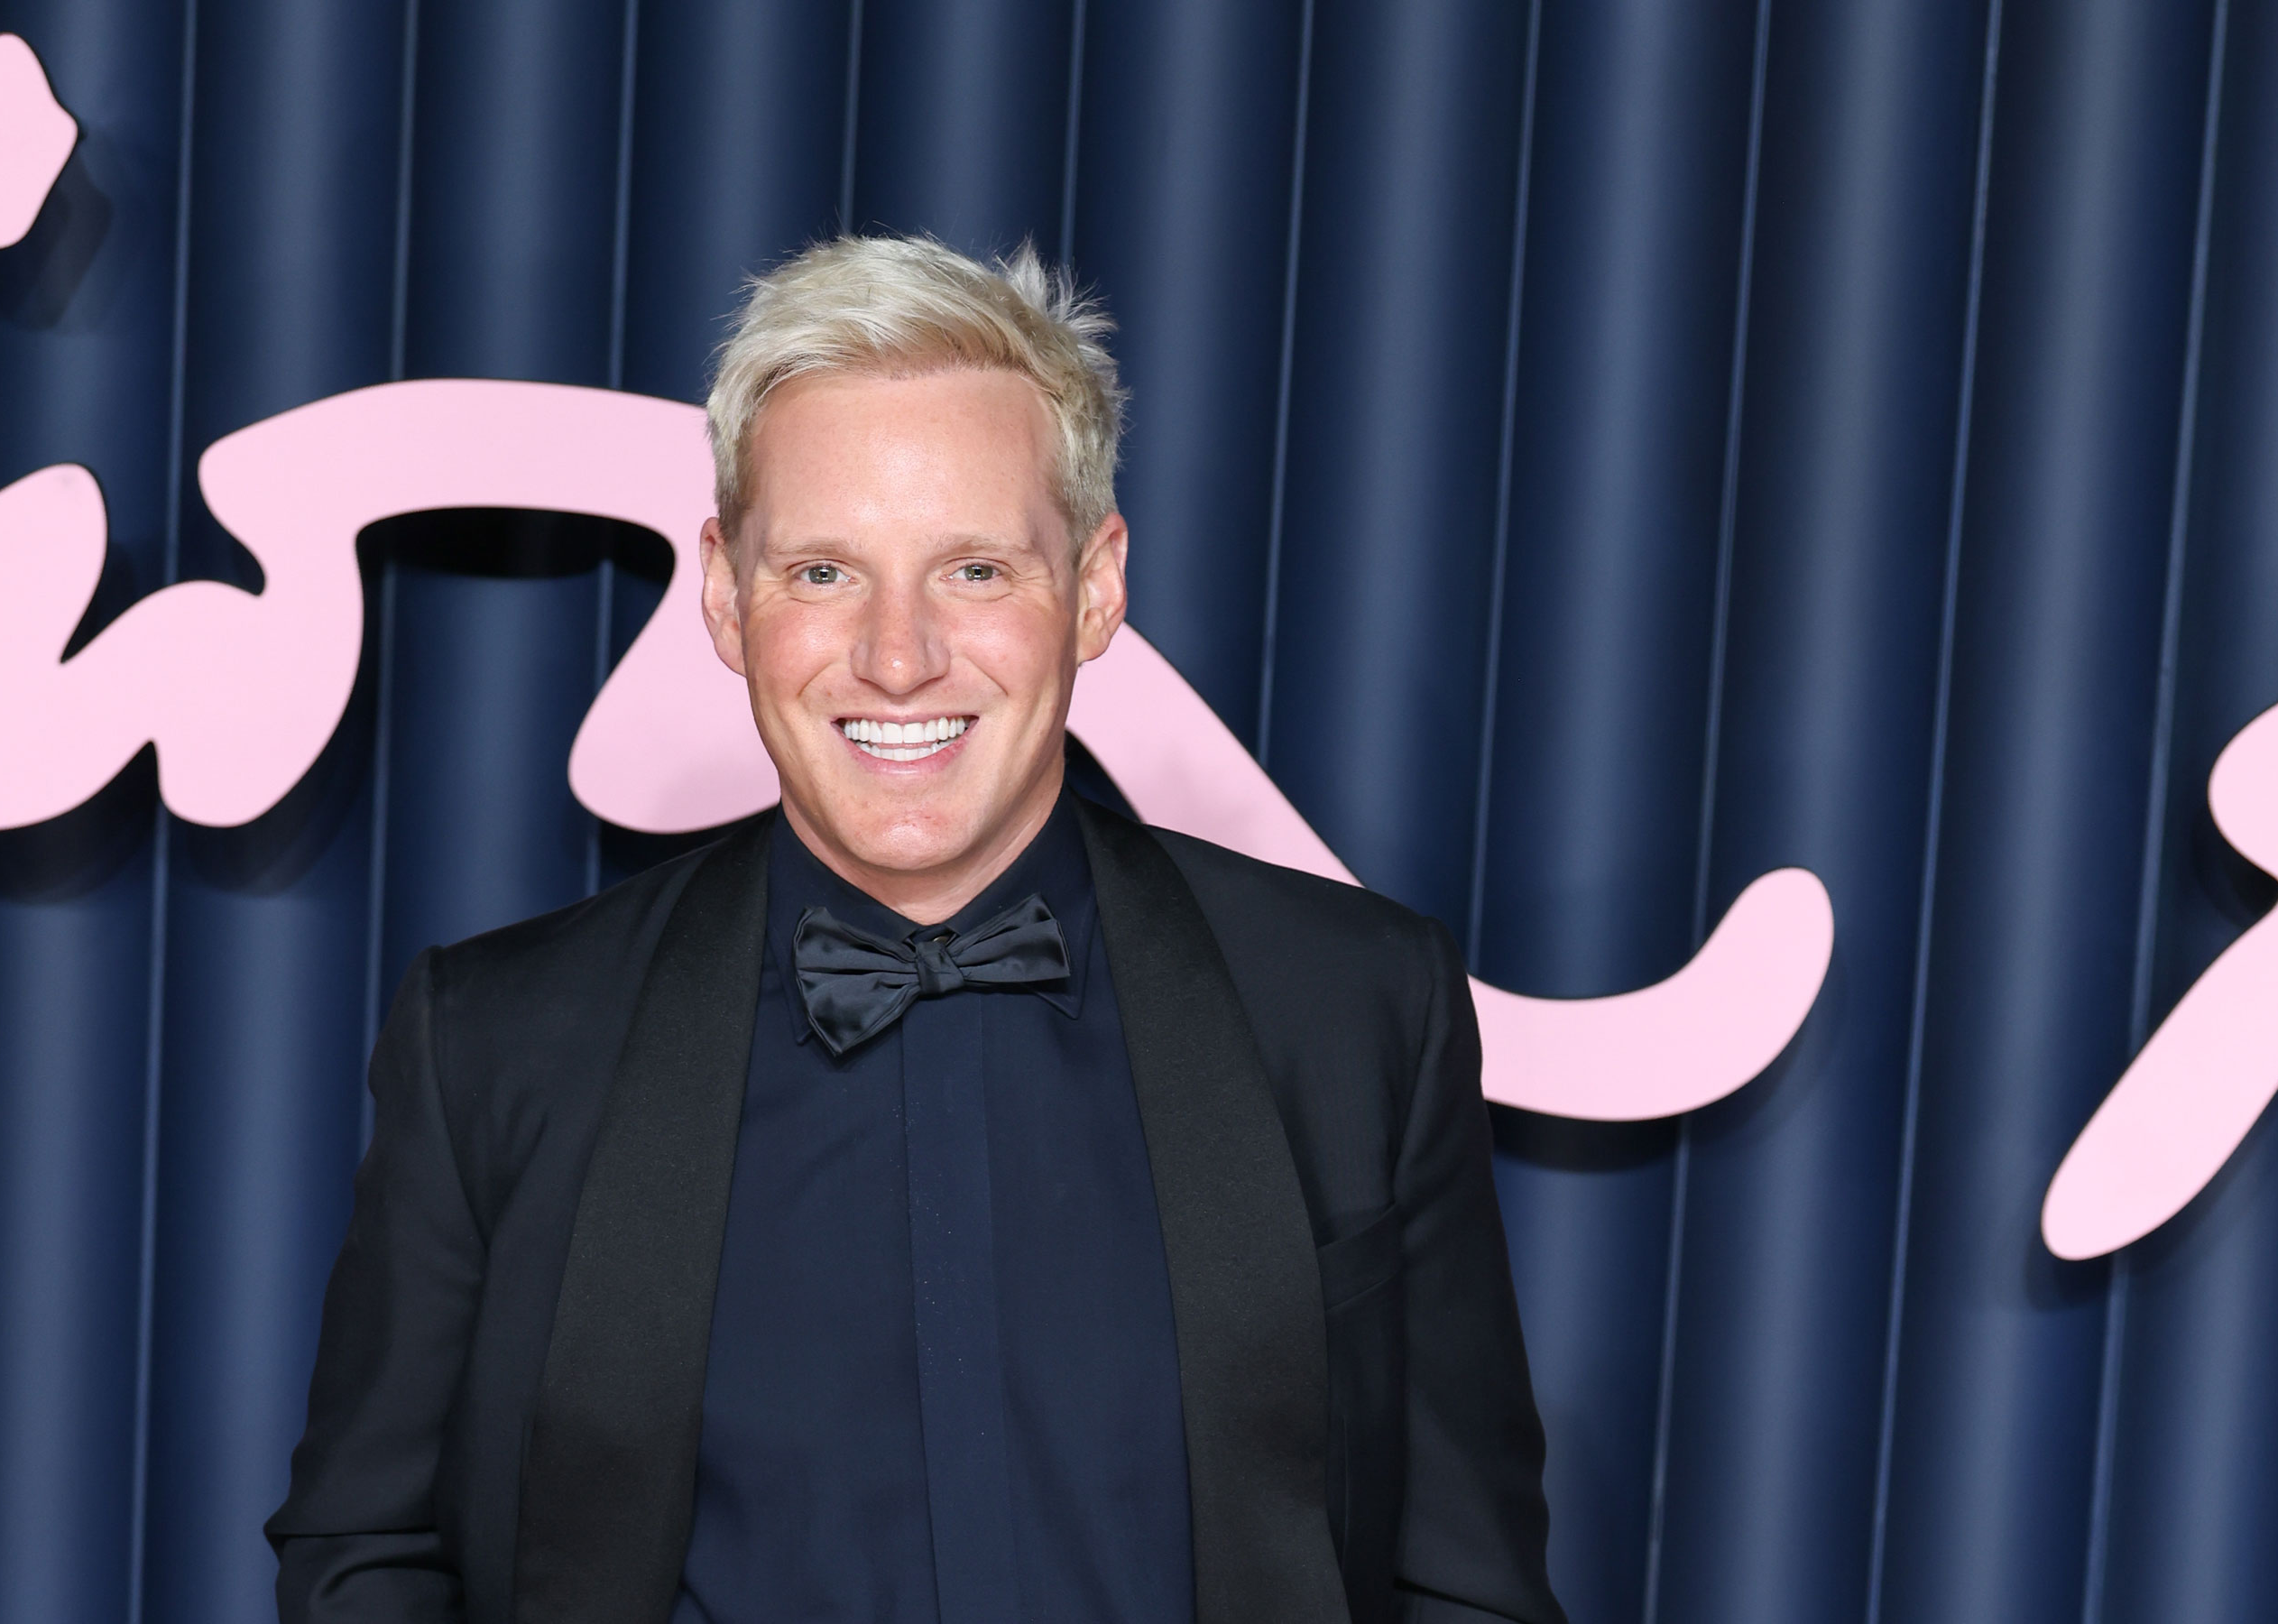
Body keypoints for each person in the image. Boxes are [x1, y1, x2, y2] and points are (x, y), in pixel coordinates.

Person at [267, 235, 1565, 1624]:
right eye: (824, 572)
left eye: (975, 571)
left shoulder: (1357, 1011)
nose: (898, 658)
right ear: (725, 594)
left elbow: (1466, 1582)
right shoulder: (498, 1044)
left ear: (1097, 587)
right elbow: (366, 1551)